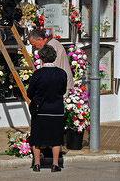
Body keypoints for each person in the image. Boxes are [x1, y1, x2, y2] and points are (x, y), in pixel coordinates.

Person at [27, 44, 67, 172]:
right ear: (54, 57)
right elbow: (63, 90)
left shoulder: (37, 74)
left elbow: (30, 93)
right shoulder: (61, 73)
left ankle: (37, 164)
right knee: (56, 139)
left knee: (37, 138)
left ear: (41, 58)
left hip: (40, 110)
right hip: (56, 110)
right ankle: (55, 164)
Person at [28, 29, 74, 94]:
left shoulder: (51, 47)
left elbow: (52, 69)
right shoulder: (52, 43)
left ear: (39, 40)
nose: (34, 47)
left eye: (34, 45)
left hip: (58, 86)